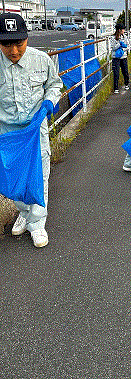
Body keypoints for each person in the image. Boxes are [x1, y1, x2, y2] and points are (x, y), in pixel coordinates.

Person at [0, 13, 62, 247]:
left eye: (19, 43)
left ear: (27, 38)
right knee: (14, 177)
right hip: (7, 133)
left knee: (39, 175)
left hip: (35, 130)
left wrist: (49, 102)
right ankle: (24, 213)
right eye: (6, 44)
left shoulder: (41, 59)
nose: (14, 50)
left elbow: (54, 84)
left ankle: (37, 224)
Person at [110, 22, 129, 93]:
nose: (124, 30)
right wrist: (119, 44)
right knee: (116, 73)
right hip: (116, 57)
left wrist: (122, 49)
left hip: (123, 57)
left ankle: (126, 83)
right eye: (123, 29)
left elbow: (127, 46)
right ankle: (116, 88)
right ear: (119, 30)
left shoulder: (125, 37)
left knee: (125, 71)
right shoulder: (112, 38)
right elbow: (113, 48)